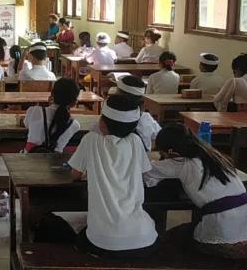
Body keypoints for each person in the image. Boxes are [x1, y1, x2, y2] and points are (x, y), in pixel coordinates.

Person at [68, 95, 158, 257]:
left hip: (102, 241)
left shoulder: (90, 140)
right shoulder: (135, 141)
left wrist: (92, 175)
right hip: (144, 239)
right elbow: (142, 173)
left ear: (102, 124)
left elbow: (75, 174)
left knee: (78, 238)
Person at [144, 123, 247, 259]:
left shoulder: (182, 162)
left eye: (163, 154)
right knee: (188, 229)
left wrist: (152, 162)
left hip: (223, 237)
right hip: (244, 229)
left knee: (170, 238)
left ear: (173, 153)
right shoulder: (215, 157)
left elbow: (145, 170)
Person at [23, 78, 80, 152]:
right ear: (74, 102)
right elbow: (58, 116)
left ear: (52, 93)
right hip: (54, 159)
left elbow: (27, 125)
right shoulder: (75, 125)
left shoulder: (34, 111)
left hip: (30, 156)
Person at [106, 76, 161, 152]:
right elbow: (160, 135)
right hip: (141, 157)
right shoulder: (146, 118)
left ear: (117, 93)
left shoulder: (108, 116)